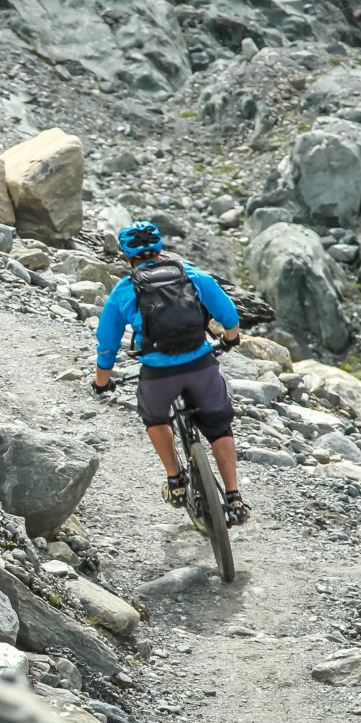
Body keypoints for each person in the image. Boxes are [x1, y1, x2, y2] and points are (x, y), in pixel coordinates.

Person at [91, 221, 250, 525]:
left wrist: (102, 383)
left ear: (127, 256)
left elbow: (106, 347)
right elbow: (228, 314)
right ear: (160, 248)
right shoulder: (190, 275)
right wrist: (230, 338)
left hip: (159, 374)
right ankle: (234, 498)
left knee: (155, 418)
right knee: (219, 428)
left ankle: (176, 481)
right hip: (201, 368)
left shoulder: (124, 291)